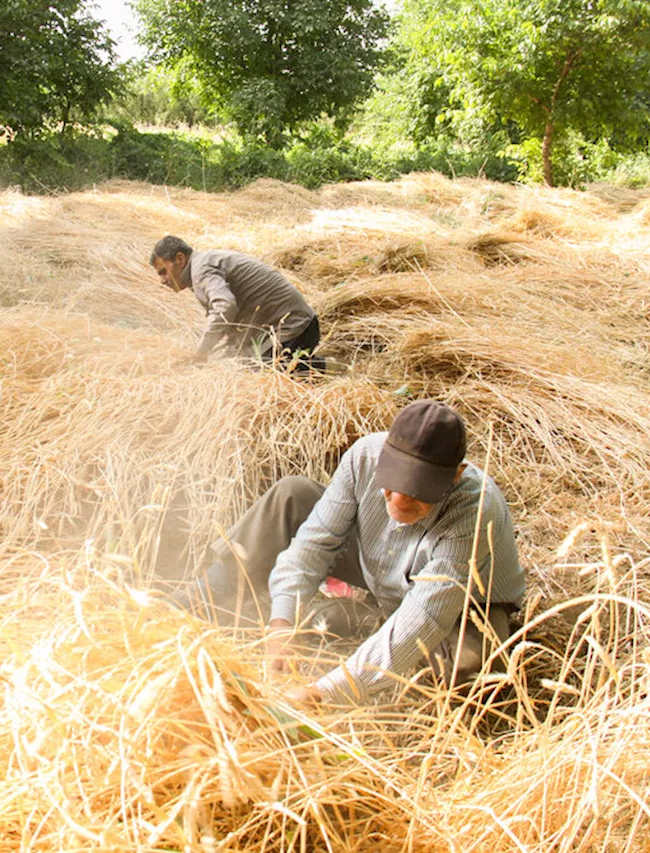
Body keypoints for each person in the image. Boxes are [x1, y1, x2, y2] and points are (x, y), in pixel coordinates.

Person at [180, 399, 524, 707]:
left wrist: (325, 691)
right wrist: (282, 622)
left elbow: (425, 618)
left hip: (462, 605)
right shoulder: (364, 457)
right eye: (395, 481)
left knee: (469, 669)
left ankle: (364, 623)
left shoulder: (476, 511)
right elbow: (314, 544)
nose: (400, 499)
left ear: (455, 476)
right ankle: (205, 593)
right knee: (292, 495)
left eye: (419, 488)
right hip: (375, 562)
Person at [150, 235, 322, 371]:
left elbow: (225, 306)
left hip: (292, 328)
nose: (162, 281)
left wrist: (201, 351)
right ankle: (322, 367)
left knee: (255, 379)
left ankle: (327, 370)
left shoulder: (201, 270)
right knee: (237, 364)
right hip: (295, 325)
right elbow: (230, 321)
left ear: (180, 259)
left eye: (164, 272)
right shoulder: (204, 263)